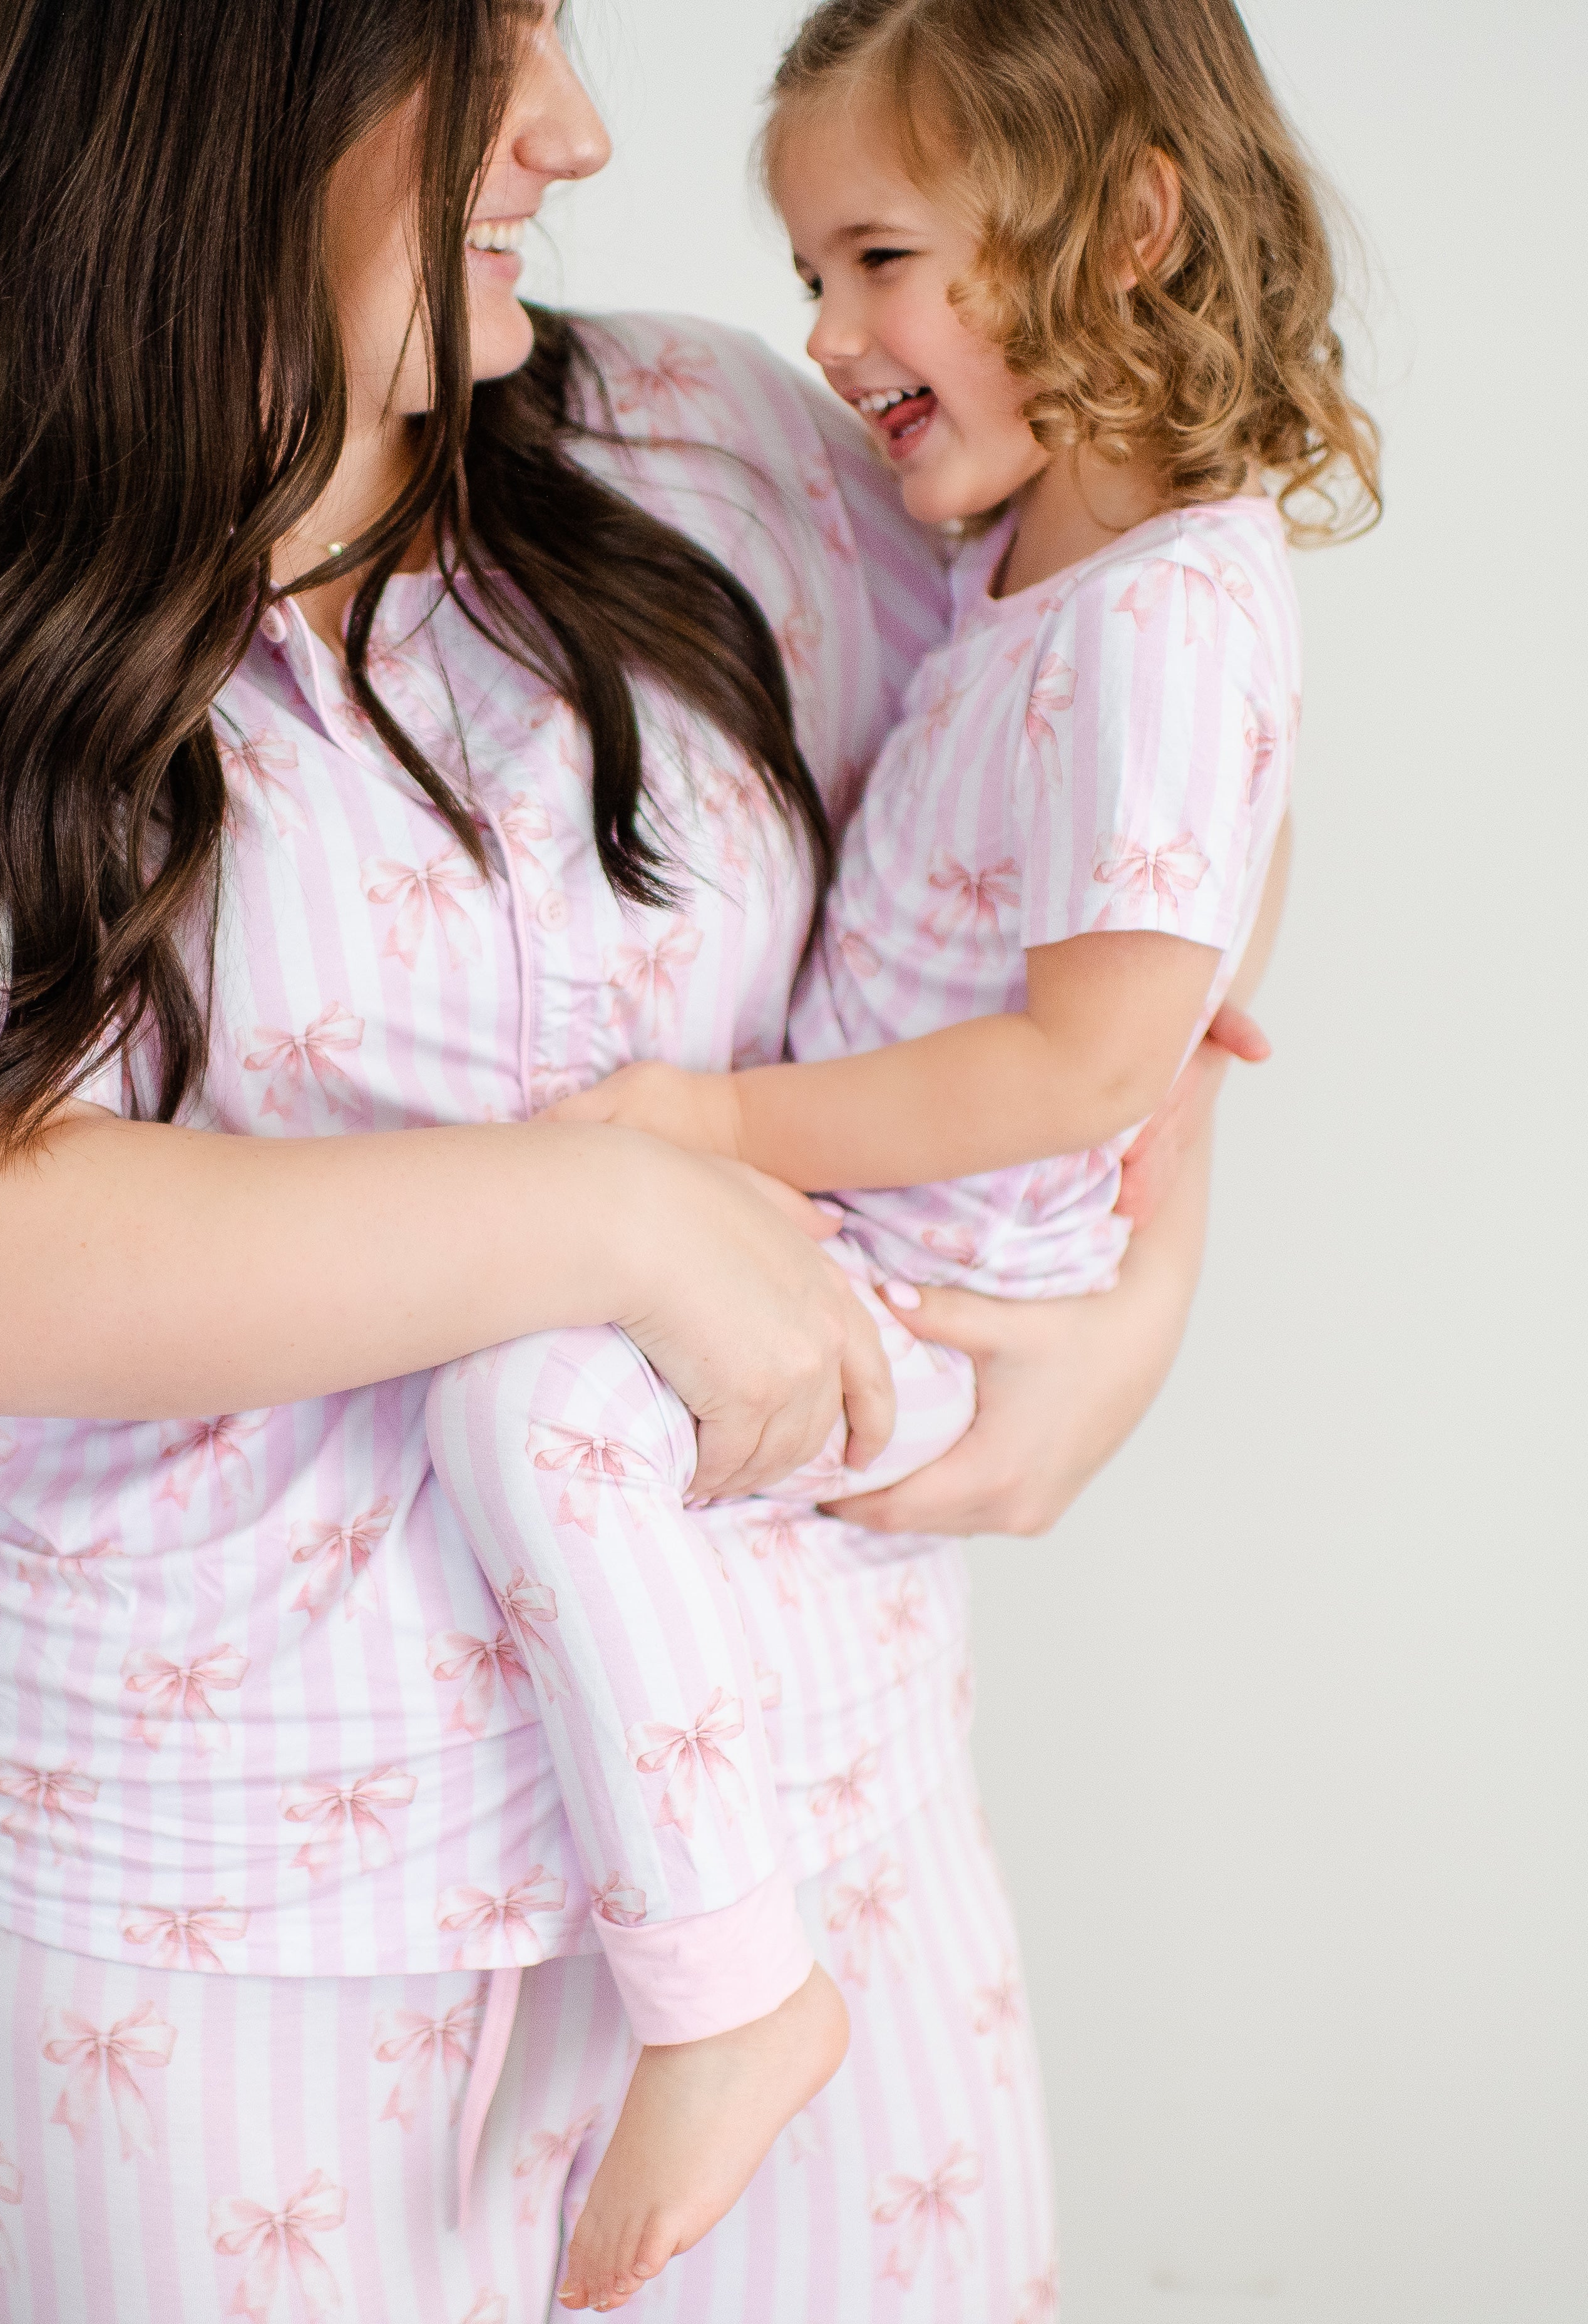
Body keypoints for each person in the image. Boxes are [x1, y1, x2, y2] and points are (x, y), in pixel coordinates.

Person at [0, 1, 1260, 2313]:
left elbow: (1144, 736)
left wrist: (1145, 1300)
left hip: (824, 1829)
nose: (575, 133)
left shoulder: (716, 453)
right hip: (220, 1938)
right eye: (504, 46)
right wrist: (620, 1210)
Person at [421, 0, 1378, 2301]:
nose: (829, 334)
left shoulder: (1160, 613)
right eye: (815, 274)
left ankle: (736, 1995)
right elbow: (1179, 914)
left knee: (527, 1399)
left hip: (936, 1286)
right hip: (879, 1240)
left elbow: (1074, 1064)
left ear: (1128, 228)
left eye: (878, 260)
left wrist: (706, 1127)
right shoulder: (1045, 570)